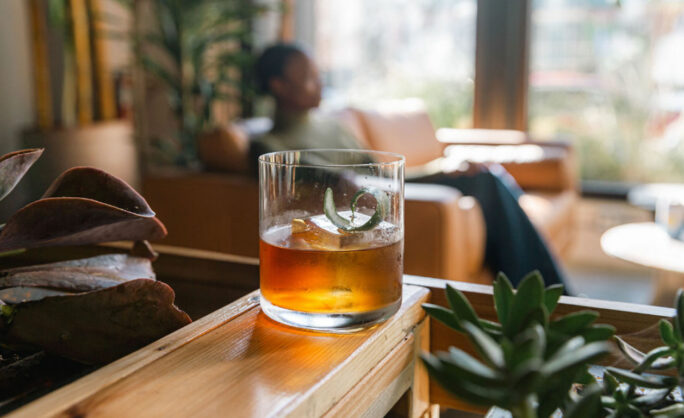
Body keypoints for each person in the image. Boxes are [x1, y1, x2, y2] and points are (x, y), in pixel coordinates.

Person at [251, 43, 569, 289]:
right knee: (486, 183)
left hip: (388, 189)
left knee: (484, 174)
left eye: (318, 74)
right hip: (374, 204)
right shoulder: (270, 144)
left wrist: (443, 170)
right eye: (308, 77)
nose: (319, 83)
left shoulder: (332, 126)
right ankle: (553, 297)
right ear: (278, 85)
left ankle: (553, 294)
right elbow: (321, 177)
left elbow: (382, 172)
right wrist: (346, 178)